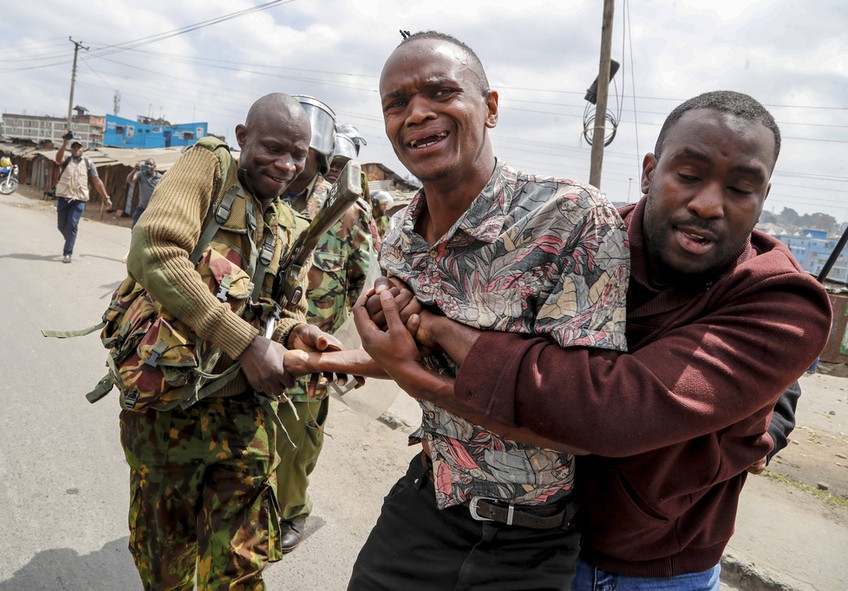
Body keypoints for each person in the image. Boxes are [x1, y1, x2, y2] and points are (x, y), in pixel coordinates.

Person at [357, 90, 833, 590]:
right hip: (532, 537)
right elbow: (484, 321)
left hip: (650, 566)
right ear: (650, 171)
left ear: (764, 197)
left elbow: (612, 407)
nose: (708, 204)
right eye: (688, 176)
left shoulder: (780, 300)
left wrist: (437, 333)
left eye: (740, 189)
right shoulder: (584, 234)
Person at [338, 30, 632, 590]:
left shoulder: (567, 220)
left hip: (530, 544)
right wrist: (329, 357)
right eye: (396, 104)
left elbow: (580, 429)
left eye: (441, 93)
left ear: (490, 107)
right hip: (424, 509)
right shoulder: (400, 232)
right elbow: (403, 353)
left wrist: (412, 368)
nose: (417, 114)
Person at [121, 92, 343, 591]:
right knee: (166, 563)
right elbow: (154, 250)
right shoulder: (208, 166)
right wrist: (245, 344)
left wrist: (296, 333)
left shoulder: (287, 222)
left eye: (299, 155)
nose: (286, 165)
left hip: (244, 416)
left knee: (241, 567)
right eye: (272, 148)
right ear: (243, 138)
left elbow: (283, 313)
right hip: (168, 411)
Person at [275, 114, 376, 553]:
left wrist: (350, 356)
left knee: (297, 440)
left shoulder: (350, 215)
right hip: (255, 339)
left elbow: (365, 293)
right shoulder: (268, 193)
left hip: (313, 351)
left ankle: (291, 513)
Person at [54, 135, 112, 263]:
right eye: (73, 147)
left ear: (82, 149)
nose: (75, 149)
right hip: (64, 197)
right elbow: (58, 159)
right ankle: (69, 238)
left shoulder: (88, 163)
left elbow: (97, 181)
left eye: (78, 147)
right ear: (70, 149)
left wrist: (106, 197)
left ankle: (68, 253)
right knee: (61, 225)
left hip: (79, 199)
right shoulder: (66, 160)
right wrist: (64, 144)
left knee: (72, 224)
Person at [125, 158, 162, 227]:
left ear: (154, 166)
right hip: (142, 208)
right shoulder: (141, 174)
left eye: (150, 164)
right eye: (146, 164)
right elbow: (129, 180)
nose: (148, 166)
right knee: (135, 228)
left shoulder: (161, 178)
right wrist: (134, 170)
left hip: (153, 210)